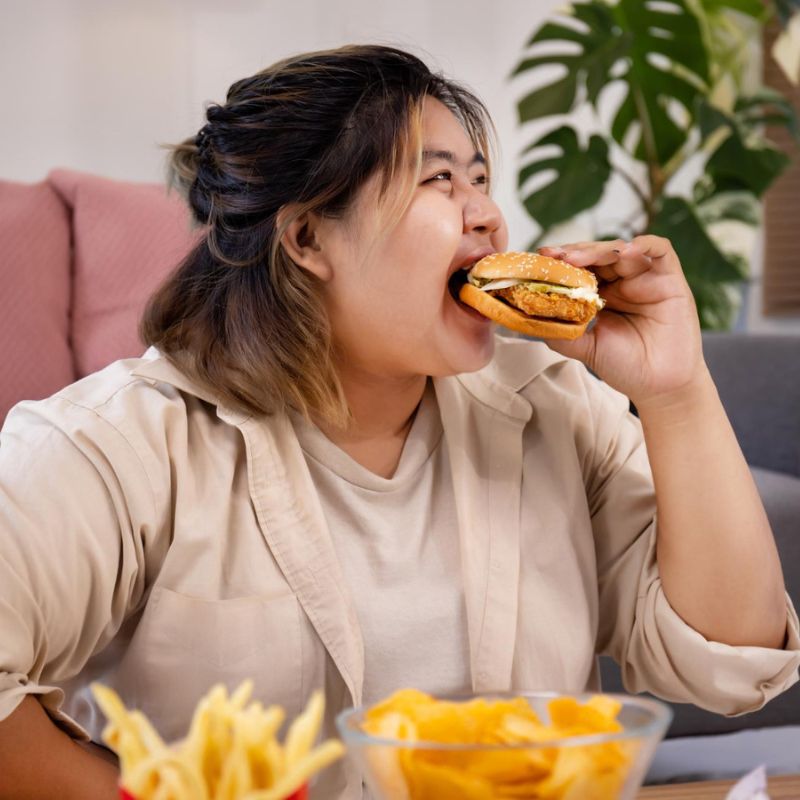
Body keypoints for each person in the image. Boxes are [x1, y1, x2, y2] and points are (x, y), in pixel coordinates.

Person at [0, 44, 797, 800]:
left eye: (481, 179)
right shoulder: (119, 444)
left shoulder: (555, 405)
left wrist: (676, 391)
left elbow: (728, 665)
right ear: (308, 236)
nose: (488, 216)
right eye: (439, 180)